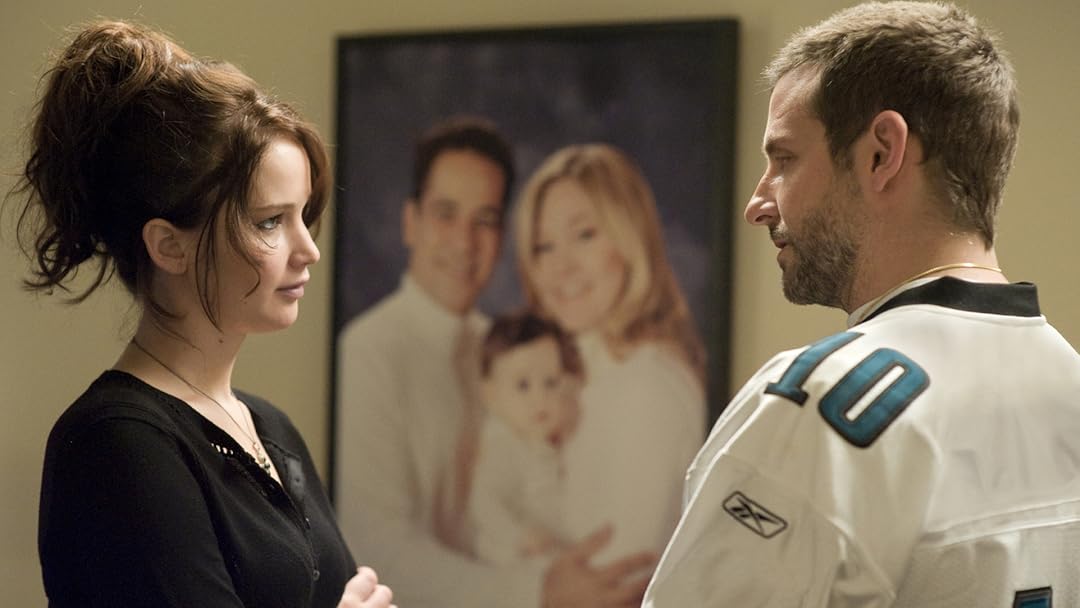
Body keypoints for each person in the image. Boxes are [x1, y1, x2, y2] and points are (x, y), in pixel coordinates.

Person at [642, 2, 1080, 606]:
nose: (758, 204)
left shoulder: (821, 402)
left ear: (881, 153)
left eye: (784, 160)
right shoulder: (1066, 381)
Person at [17, 20, 393, 608]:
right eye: (270, 221)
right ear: (169, 245)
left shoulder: (270, 428)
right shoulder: (116, 444)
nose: (308, 250)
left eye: (303, 215)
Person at [335, 118, 651, 607]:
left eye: (484, 219)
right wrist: (538, 591)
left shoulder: (504, 350)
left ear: (501, 235)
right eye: (445, 214)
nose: (465, 241)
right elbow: (376, 548)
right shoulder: (367, 352)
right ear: (410, 222)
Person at [514, 143, 707, 568]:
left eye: (584, 235)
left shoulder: (645, 384)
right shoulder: (586, 380)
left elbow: (617, 579)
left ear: (629, 239)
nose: (561, 267)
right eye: (544, 246)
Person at [469, 311, 583, 565]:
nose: (539, 398)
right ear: (491, 395)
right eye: (523, 385)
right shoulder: (504, 447)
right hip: (511, 557)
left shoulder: (545, 440)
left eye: (550, 382)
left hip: (550, 548)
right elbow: (484, 503)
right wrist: (519, 537)